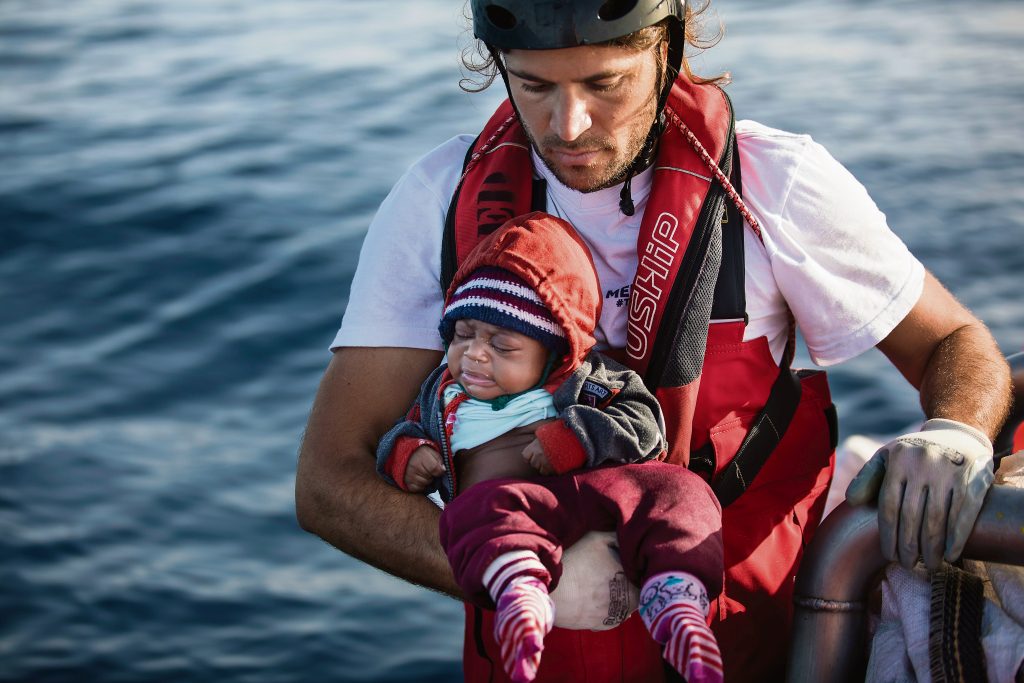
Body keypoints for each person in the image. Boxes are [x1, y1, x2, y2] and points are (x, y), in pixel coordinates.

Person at [294, 1, 1013, 680]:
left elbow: (952, 339)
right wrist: (510, 573)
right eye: (534, 84)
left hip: (753, 653)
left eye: (605, 82)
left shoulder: (773, 182)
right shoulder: (435, 201)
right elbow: (329, 482)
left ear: (668, 49)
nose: (568, 123)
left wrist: (956, 430)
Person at [375, 212, 725, 683]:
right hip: (515, 506)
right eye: (462, 335)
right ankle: (521, 589)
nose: (475, 354)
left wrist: (576, 438)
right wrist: (408, 455)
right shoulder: (442, 394)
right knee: (470, 514)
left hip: (600, 493)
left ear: (555, 350)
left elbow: (647, 426)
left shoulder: (589, 381)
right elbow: (398, 433)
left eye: (502, 345)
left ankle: (677, 598)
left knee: (682, 491)